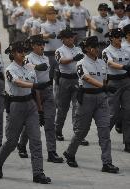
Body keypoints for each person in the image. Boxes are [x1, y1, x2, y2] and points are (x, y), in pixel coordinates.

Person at [0, 41, 51, 184]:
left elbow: (35, 91)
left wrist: (40, 110)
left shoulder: (30, 67)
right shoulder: (10, 69)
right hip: (16, 105)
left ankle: (38, 173)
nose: (22, 54)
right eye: (19, 51)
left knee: (36, 140)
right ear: (12, 54)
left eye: (23, 51)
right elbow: (18, 82)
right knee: (12, 141)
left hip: (30, 105)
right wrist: (34, 85)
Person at [63, 36, 119, 174]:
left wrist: (104, 90)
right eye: (94, 47)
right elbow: (86, 78)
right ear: (87, 49)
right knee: (82, 131)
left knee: (104, 131)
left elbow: (105, 79)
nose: (97, 49)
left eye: (98, 46)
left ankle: (107, 162)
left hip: (101, 98)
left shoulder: (101, 63)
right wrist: (104, 87)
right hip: (86, 98)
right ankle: (70, 152)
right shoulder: (81, 63)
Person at [18, 35, 64, 163]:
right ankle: (22, 145)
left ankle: (51, 152)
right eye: (39, 44)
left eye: (43, 44)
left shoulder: (46, 58)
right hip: (33, 92)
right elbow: (25, 67)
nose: (42, 46)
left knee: (50, 122)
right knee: (32, 122)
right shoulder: (28, 58)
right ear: (33, 46)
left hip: (47, 91)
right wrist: (36, 67)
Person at [54, 29, 89, 146]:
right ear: (62, 39)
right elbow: (61, 61)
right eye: (67, 37)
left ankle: (77, 134)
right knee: (62, 108)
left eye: (71, 37)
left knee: (77, 108)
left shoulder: (78, 49)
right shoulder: (60, 50)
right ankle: (57, 130)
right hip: (64, 80)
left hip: (76, 79)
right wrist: (74, 59)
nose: (70, 39)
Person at [102, 28, 130, 153]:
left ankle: (128, 142)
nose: (120, 38)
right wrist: (124, 66)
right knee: (113, 113)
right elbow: (110, 63)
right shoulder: (106, 51)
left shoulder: (126, 49)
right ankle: (103, 136)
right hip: (113, 82)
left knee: (128, 112)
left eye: (121, 36)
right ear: (111, 38)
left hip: (126, 81)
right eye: (117, 36)